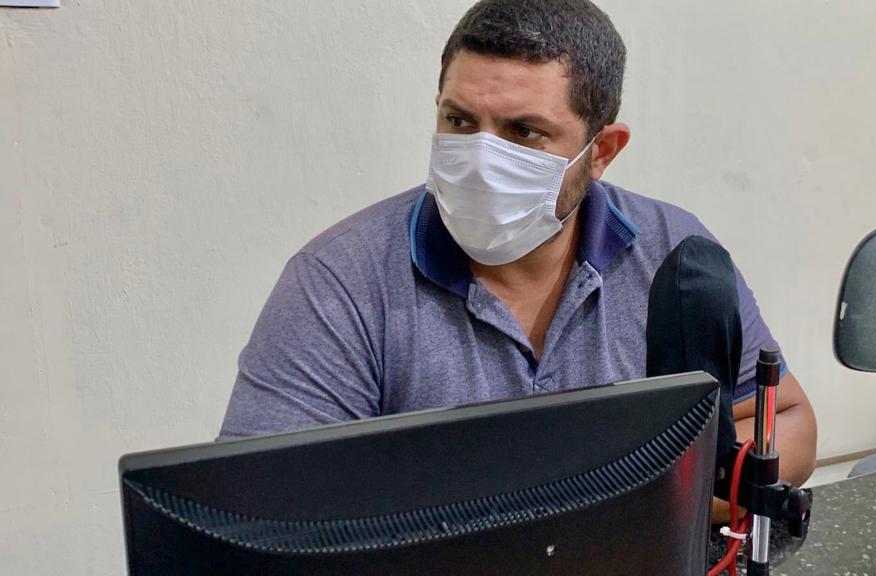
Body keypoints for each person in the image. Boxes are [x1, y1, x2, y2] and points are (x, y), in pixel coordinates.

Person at [219, 0, 816, 523]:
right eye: (460, 121)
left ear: (601, 151)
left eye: (524, 132)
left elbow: (786, 422)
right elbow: (261, 509)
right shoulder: (339, 281)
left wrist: (626, 514)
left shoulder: (672, 254)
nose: (482, 161)